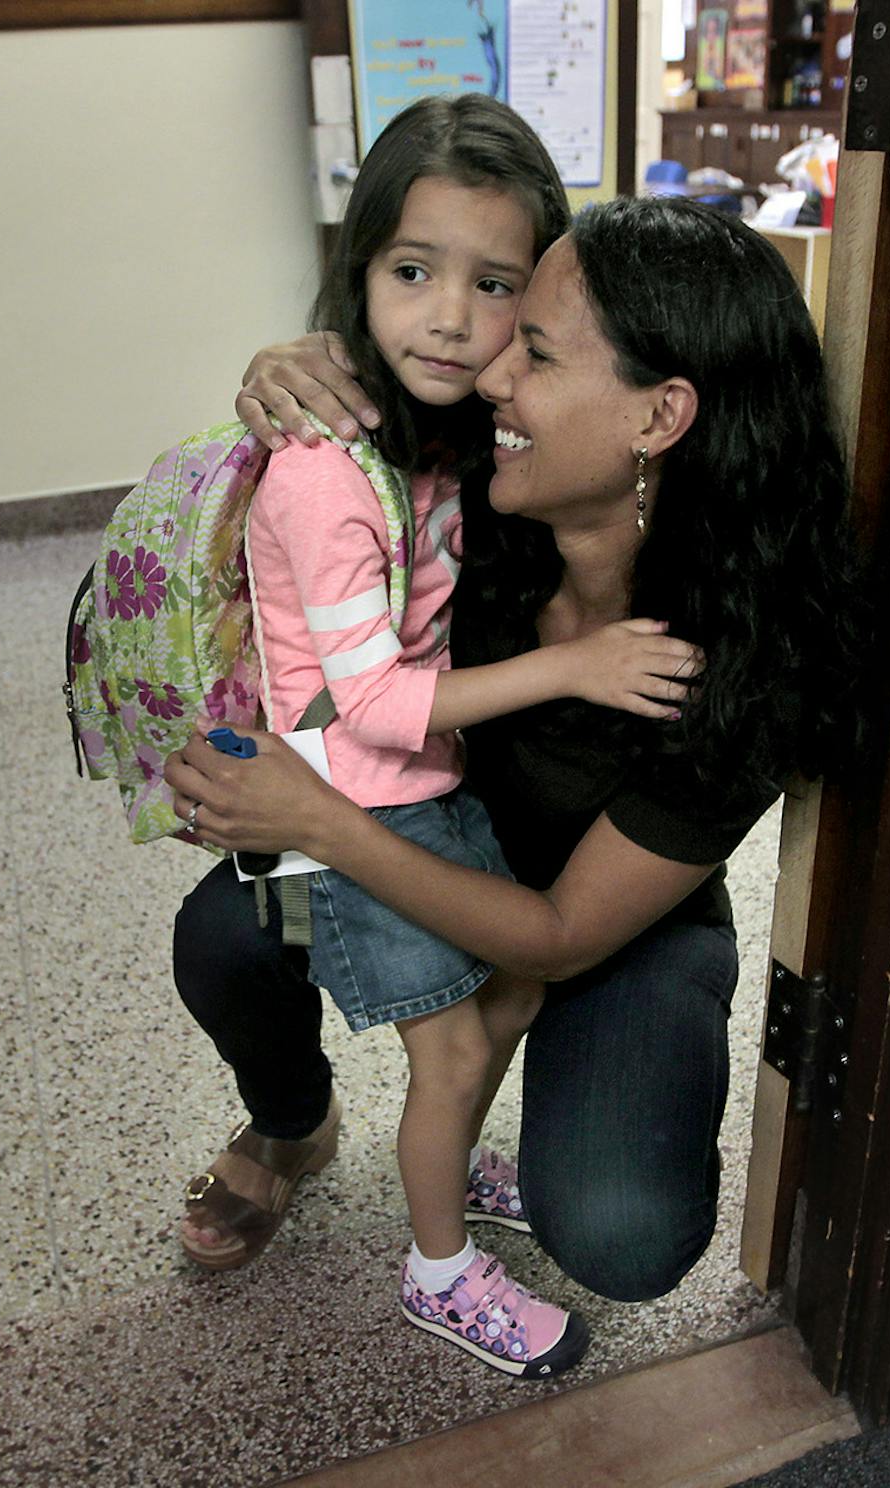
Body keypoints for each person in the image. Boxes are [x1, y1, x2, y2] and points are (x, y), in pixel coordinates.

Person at [168, 194, 868, 1317]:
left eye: (534, 352)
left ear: (660, 415)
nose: (494, 374)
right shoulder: (478, 499)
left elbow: (557, 934)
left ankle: (545, 1125)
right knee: (223, 934)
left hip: (607, 918)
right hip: (434, 835)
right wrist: (290, 370)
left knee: (623, 1232)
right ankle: (295, 1120)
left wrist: (316, 822)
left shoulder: (752, 660)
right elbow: (356, 418)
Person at [174, 97, 706, 1380]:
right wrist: (577, 664)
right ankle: (436, 1270)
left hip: (456, 800)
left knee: (501, 1004)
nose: (454, 320)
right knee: (449, 1038)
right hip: (368, 795)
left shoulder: (476, 438)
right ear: (360, 273)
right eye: (412, 273)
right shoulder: (331, 466)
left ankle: (448, 1155)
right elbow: (370, 703)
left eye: (496, 289)